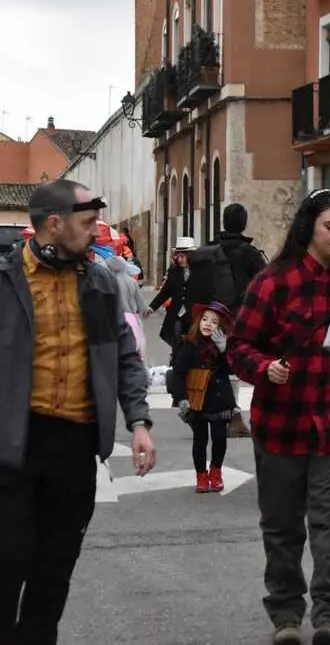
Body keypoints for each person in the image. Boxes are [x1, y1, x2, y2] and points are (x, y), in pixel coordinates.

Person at [227, 188, 330, 645]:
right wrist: (265, 368)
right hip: (281, 429)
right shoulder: (272, 282)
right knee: (282, 529)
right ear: (308, 228)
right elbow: (238, 347)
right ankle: (285, 616)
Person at [0, 180, 157, 645]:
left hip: (74, 445)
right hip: (14, 445)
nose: (95, 233)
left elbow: (125, 355)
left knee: (54, 571)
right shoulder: (7, 281)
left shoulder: (100, 280)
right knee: (8, 563)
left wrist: (140, 422)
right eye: (87, 224)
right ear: (55, 223)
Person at [171, 301, 237, 493]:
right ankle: (201, 475)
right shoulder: (189, 345)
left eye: (214, 322)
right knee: (199, 439)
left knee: (219, 438)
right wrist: (181, 398)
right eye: (205, 319)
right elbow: (179, 374)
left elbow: (233, 370)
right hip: (197, 400)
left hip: (220, 398)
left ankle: (215, 472)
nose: (208, 324)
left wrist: (225, 350)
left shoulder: (223, 345)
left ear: (221, 327)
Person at [146, 236, 198, 363]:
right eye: (178, 255)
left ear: (190, 255)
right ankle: (176, 361)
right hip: (176, 313)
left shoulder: (199, 271)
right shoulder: (174, 271)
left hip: (193, 314)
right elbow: (166, 292)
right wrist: (152, 307)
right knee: (175, 336)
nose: (179, 259)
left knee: (193, 342)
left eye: (183, 256)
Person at [106, 254, 148, 363]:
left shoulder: (111, 282)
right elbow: (141, 305)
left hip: (119, 319)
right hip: (134, 318)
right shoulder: (132, 282)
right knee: (136, 349)